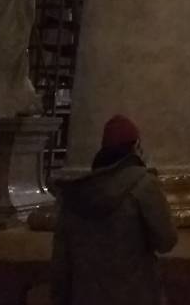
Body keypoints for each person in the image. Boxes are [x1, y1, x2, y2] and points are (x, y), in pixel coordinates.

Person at [51, 114, 177, 305]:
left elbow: (61, 262)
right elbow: (166, 240)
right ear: (135, 147)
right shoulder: (144, 185)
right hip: (136, 295)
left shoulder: (77, 194)